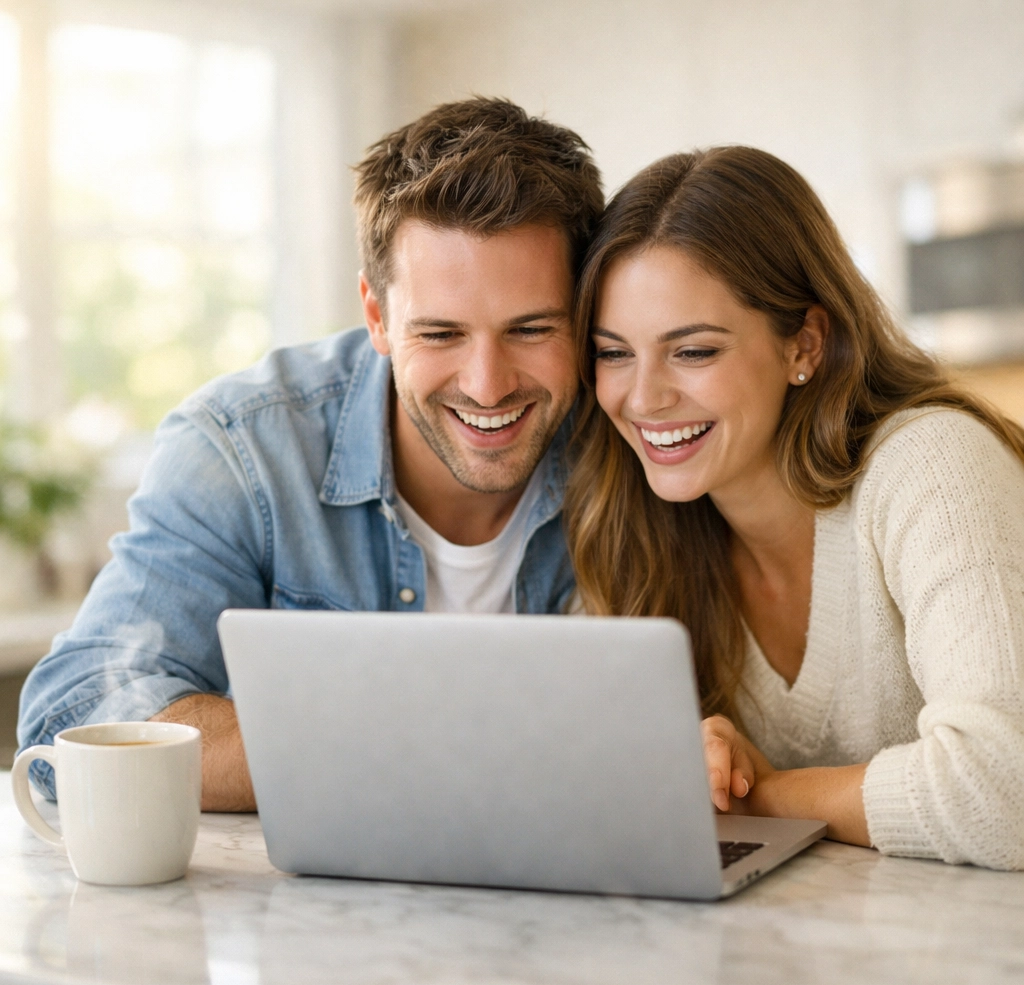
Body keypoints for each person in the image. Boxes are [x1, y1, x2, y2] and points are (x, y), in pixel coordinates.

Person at [18, 98, 603, 811]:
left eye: (532, 328)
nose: (487, 384)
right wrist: (418, 745)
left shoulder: (628, 437)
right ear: (376, 316)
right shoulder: (242, 448)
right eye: (442, 334)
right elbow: (75, 721)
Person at [565, 146, 1024, 869]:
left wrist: (766, 796)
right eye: (614, 353)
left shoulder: (931, 468)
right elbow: (575, 776)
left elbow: (1005, 790)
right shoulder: (639, 521)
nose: (643, 398)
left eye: (693, 352)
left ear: (804, 344)